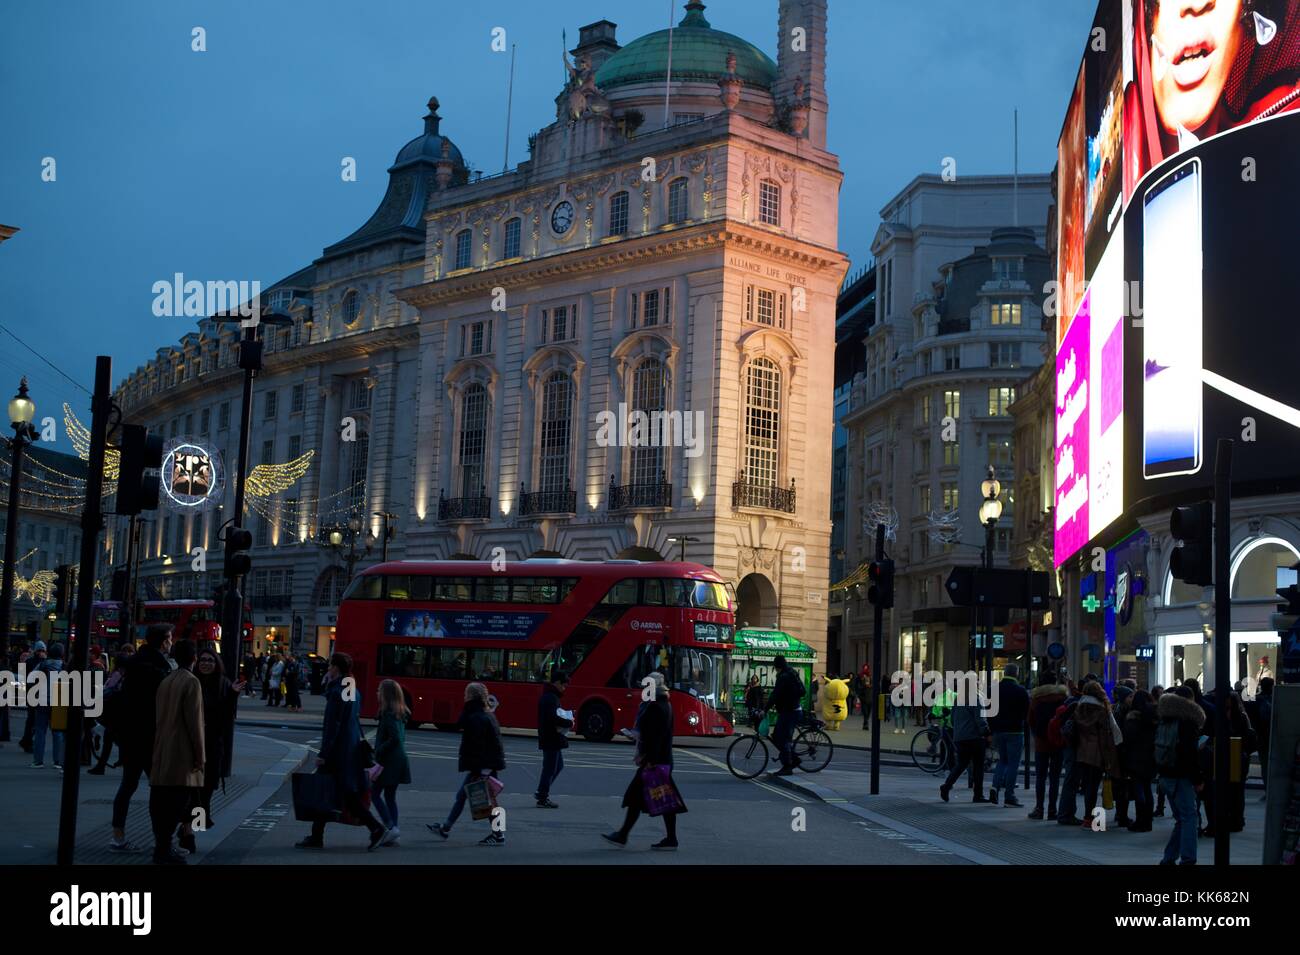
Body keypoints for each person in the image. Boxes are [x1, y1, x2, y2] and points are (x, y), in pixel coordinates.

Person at [296, 653, 388, 850]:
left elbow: (334, 725)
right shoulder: (351, 688)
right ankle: (319, 835)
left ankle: (374, 828)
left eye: (330, 666)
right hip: (349, 748)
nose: (328, 669)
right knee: (342, 793)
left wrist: (324, 753)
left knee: (328, 791)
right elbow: (350, 717)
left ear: (336, 668)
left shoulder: (340, 691)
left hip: (339, 752)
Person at [602, 672, 686, 849]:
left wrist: (649, 759)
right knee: (660, 800)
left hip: (655, 761)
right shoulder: (664, 704)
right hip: (660, 760)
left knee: (640, 798)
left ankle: (624, 835)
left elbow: (656, 736)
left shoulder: (656, 706)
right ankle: (668, 838)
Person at [110, 625, 174, 853]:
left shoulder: (134, 663)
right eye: (170, 638)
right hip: (151, 736)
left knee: (127, 785)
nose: (171, 642)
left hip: (129, 736)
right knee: (159, 789)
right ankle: (162, 841)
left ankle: (118, 836)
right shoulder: (159, 668)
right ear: (163, 641)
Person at [428, 682, 506, 845]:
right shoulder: (485, 714)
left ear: (471, 697)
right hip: (485, 765)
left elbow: (475, 742)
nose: (464, 697)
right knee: (468, 797)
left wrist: (481, 771)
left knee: (487, 802)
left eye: (466, 694)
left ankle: (498, 835)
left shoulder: (477, 716)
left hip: (481, 767)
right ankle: (446, 828)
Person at [149, 639, 205, 865]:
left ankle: (161, 847)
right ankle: (164, 849)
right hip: (181, 752)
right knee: (177, 802)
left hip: (162, 749)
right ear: (194, 659)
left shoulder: (167, 680)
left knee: (161, 803)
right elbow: (195, 723)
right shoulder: (191, 682)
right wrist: (200, 755)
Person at [184, 647, 242, 850]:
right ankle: (188, 832)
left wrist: (233, 695)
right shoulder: (192, 682)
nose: (206, 663)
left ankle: (194, 825)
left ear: (216, 663)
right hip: (192, 743)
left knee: (207, 789)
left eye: (210, 660)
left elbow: (227, 718)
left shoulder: (224, 685)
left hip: (213, 744)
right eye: (202, 660)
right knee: (192, 790)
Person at [1156, 684, 1206, 865]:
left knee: (1181, 819)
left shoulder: (1165, 719)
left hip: (1165, 775)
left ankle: (1168, 858)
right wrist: (1198, 778)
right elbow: (1189, 754)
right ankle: (1188, 859)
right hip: (1181, 777)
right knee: (1189, 818)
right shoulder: (1188, 722)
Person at [1200, 689, 1256, 837]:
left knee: (1236, 791)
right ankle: (1231, 819)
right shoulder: (1226, 716)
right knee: (1230, 791)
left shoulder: (1239, 717)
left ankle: (1235, 819)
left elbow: (1246, 737)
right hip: (1227, 756)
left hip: (1236, 757)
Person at [1073, 681, 1123, 829]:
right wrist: (1109, 757)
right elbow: (1106, 736)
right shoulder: (1101, 710)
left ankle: (1087, 817)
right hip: (1098, 753)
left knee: (1087, 785)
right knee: (1093, 787)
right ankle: (1090, 818)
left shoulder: (1079, 708)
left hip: (1082, 752)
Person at [371, 679, 411, 846]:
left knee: (374, 793)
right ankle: (393, 829)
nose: (377, 693)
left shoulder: (388, 715)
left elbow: (394, 739)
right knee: (389, 796)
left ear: (386, 694)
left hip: (390, 761)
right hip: (399, 760)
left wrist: (378, 750)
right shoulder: (400, 713)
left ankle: (390, 826)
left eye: (379, 690)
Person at [987, 662, 1030, 808]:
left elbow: (988, 712)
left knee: (1002, 760)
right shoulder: (1021, 691)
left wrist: (991, 730)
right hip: (1015, 731)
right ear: (1016, 674)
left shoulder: (993, 690)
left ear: (1004, 673)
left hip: (998, 731)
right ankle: (1009, 795)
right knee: (1013, 763)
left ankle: (995, 786)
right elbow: (1026, 713)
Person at [1027, 670, 1068, 820]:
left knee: (1040, 777)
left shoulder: (1036, 698)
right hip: (1057, 742)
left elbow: (1030, 720)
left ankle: (1039, 809)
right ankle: (1052, 810)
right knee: (1055, 778)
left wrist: (1037, 734)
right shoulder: (1063, 697)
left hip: (1041, 743)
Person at [88, 647, 135, 774]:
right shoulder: (128, 675)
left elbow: (107, 690)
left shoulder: (117, 675)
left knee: (113, 739)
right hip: (121, 712)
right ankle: (102, 765)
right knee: (112, 739)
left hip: (114, 712)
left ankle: (102, 765)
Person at [939, 698, 989, 803]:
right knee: (978, 766)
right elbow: (980, 718)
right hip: (975, 737)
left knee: (961, 764)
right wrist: (986, 732)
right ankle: (978, 795)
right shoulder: (976, 699)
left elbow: (952, 719)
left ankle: (947, 785)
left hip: (960, 737)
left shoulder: (958, 699)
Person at [534, 670, 572, 808]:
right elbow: (553, 718)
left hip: (550, 737)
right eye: (563, 685)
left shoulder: (550, 696)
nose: (564, 688)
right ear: (557, 683)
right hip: (551, 737)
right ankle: (542, 796)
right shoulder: (551, 698)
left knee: (557, 766)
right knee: (550, 768)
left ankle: (542, 792)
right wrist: (569, 722)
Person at [1122, 689, 1159, 832]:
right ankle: (1148, 821)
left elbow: (1128, 740)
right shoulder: (1154, 717)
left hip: (1136, 758)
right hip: (1151, 758)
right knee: (1148, 789)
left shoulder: (1133, 719)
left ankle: (1141, 820)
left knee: (1139, 790)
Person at [765, 655, 805, 776]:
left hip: (791, 711)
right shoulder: (790, 672)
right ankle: (794, 759)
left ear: (777, 666)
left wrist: (765, 709)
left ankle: (788, 767)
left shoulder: (784, 676)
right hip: (789, 710)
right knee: (777, 736)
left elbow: (775, 694)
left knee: (784, 739)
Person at [30, 642, 67, 770]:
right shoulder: (64, 666)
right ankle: (57, 761)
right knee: (58, 733)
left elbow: (31, 678)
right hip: (58, 702)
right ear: (62, 654)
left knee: (40, 731)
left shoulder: (42, 665)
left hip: (42, 700)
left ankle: (38, 761)